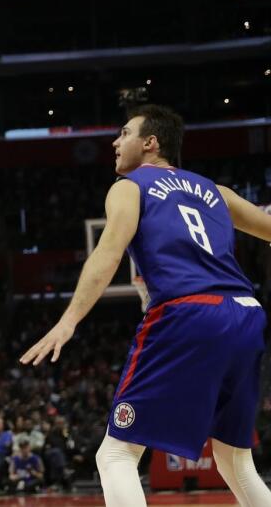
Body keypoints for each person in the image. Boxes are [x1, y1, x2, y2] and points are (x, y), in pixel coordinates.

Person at [21, 105, 271, 506]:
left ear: (150, 143)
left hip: (189, 312)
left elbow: (108, 253)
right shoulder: (216, 192)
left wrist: (68, 320)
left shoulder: (131, 186)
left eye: (124, 133)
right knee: (235, 461)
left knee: (116, 453)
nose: (115, 142)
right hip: (245, 312)